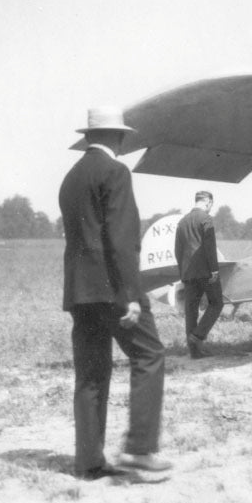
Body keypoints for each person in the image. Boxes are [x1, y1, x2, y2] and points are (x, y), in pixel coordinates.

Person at [59, 106, 171, 480]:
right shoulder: (116, 172)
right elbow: (122, 242)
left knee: (91, 373)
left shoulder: (71, 178)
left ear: (89, 137)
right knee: (150, 354)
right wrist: (132, 297)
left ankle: (88, 462)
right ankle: (140, 450)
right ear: (118, 137)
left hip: (80, 292)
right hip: (113, 291)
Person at [175, 191, 224, 358]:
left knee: (191, 310)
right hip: (206, 271)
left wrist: (182, 272)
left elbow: (178, 251)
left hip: (188, 273)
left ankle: (194, 352)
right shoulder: (206, 219)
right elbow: (210, 247)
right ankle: (197, 336)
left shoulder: (182, 222)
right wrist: (215, 270)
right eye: (211, 205)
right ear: (208, 202)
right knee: (217, 303)